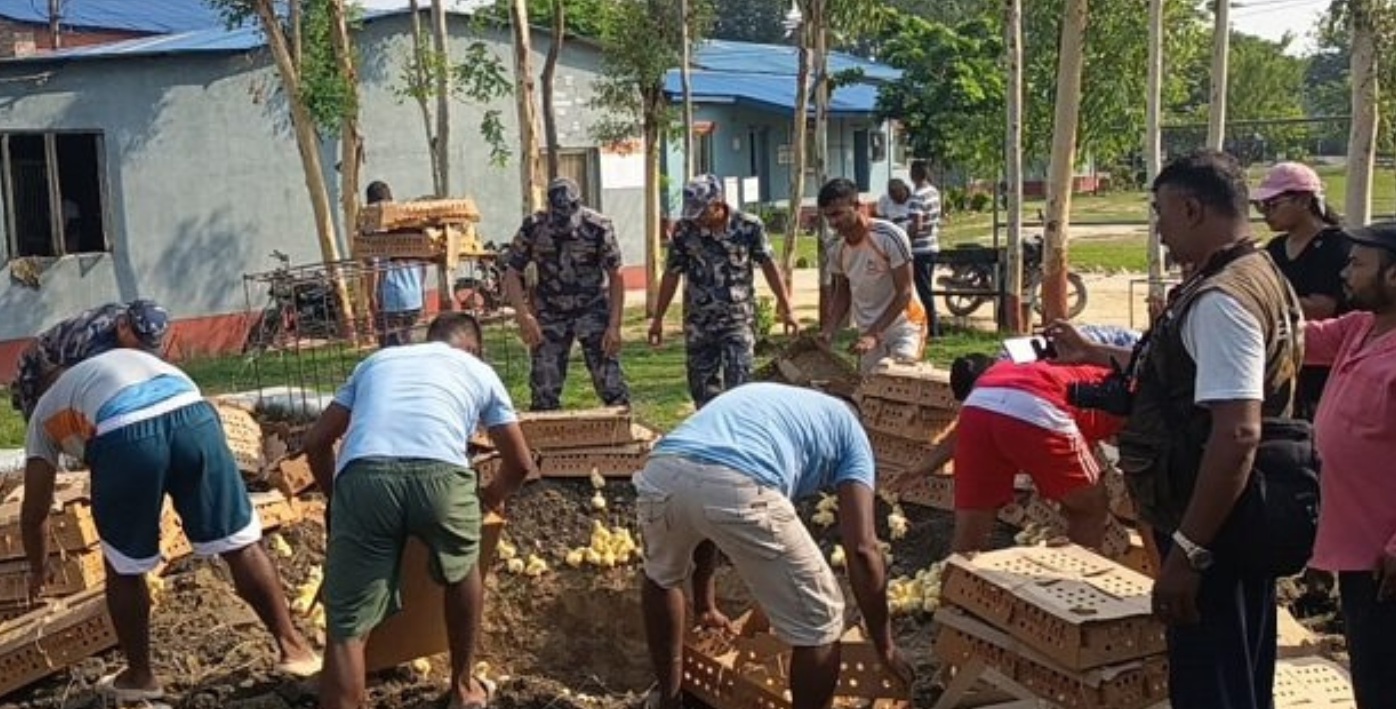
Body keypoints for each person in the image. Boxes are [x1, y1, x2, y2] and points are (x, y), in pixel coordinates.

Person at [1047, 149, 1302, 709]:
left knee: (1213, 684)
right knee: (1238, 674)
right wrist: (1092, 352)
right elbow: (1185, 375)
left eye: (1160, 212)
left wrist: (1187, 553)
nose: (1159, 229)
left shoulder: (1222, 302)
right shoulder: (1258, 275)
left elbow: (1237, 434)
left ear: (1191, 209)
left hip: (1212, 527)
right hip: (1235, 516)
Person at [21, 349, 320, 702]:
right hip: (196, 416)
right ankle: (294, 647)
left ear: (32, 393)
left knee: (123, 566)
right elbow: (197, 414)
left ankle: (140, 676)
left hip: (125, 432)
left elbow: (35, 508)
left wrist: (38, 568)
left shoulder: (45, 411)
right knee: (241, 544)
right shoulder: (112, 364)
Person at [303, 313, 536, 709]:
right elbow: (520, 463)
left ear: (429, 339)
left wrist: (339, 501)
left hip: (366, 475)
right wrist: (489, 497)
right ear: (474, 348)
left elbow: (316, 442)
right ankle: (463, 688)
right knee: (463, 570)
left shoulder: (376, 361)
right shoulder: (478, 371)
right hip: (442, 478)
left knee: (347, 626)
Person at [633, 382, 913, 709]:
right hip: (740, 482)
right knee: (821, 621)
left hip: (663, 467)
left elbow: (700, 492)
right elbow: (864, 549)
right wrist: (884, 646)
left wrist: (706, 605)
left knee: (662, 578)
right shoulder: (852, 432)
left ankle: (668, 701)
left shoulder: (767, 399)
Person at [1302, 222, 1396, 709]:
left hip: (1386, 559)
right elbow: (1299, 340)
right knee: (1371, 673)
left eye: (1359, 264)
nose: (1345, 272)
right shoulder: (1360, 328)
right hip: (1357, 550)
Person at [909, 354, 1124, 553]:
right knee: (1090, 507)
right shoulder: (1131, 391)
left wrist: (921, 467)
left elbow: (987, 410)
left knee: (973, 525)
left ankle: (956, 577)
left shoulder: (1022, 366)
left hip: (977, 406)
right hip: (1037, 403)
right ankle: (1076, 576)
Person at [648, 175, 798, 407]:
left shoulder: (748, 226)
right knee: (702, 391)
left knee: (740, 389)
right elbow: (672, 274)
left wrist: (787, 309)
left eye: (702, 213)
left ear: (718, 204)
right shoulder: (684, 231)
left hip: (737, 321)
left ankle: (741, 429)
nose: (697, 219)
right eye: (693, 213)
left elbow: (769, 266)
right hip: (699, 324)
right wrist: (658, 318)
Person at [502, 177, 630, 410]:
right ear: (549, 207)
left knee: (611, 385)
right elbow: (512, 272)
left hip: (591, 309)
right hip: (550, 312)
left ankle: (619, 427)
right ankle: (546, 430)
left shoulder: (598, 227)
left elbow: (616, 275)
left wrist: (614, 325)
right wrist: (523, 316)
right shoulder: (533, 227)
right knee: (544, 388)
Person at [1252, 162, 1350, 419]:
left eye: (1272, 204)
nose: (1265, 213)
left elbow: (1321, 309)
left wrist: (1263, 304)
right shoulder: (1275, 248)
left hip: (1324, 367)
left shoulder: (1334, 245)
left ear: (1305, 201)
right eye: (1261, 206)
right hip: (1288, 362)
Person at [816, 178, 926, 374]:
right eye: (828, 217)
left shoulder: (890, 236)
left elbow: (905, 292)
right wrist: (829, 329)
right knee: (868, 389)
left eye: (837, 214)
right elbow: (843, 291)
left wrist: (875, 333)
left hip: (905, 328)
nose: (833, 223)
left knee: (899, 383)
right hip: (866, 334)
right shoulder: (835, 247)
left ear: (857, 206)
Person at [10, 299, 169, 420]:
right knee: (45, 423)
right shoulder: (96, 339)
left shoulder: (143, 327)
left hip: (72, 364)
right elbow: (94, 392)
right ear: (122, 326)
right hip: (42, 366)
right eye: (140, 345)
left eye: (150, 346)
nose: (144, 352)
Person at [364, 181, 428, 348]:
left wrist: (371, 296)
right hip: (414, 298)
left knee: (390, 350)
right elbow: (423, 262)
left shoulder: (373, 228)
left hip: (389, 300)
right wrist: (421, 289)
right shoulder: (408, 224)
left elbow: (373, 265)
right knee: (409, 346)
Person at [908, 161, 942, 338]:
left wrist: (907, 240)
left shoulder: (917, 196)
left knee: (923, 290)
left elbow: (917, 224)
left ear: (913, 174)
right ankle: (931, 325)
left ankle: (931, 328)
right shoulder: (934, 192)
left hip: (919, 249)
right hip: (932, 245)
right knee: (926, 287)